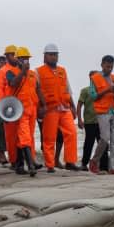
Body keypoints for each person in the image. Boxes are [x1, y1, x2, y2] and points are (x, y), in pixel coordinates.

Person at [36, 44, 79, 172]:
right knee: (49, 138)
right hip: (50, 109)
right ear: (45, 56)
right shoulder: (38, 71)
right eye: (51, 54)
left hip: (64, 108)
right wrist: (40, 107)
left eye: (55, 55)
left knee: (71, 133)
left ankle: (70, 162)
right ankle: (50, 164)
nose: (54, 57)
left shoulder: (62, 71)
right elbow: (36, 90)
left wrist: (73, 107)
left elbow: (68, 89)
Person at [5, 46, 46, 176]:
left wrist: (43, 105)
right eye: (23, 59)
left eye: (27, 59)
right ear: (17, 60)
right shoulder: (11, 72)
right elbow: (13, 84)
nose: (26, 61)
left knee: (27, 137)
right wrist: (22, 72)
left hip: (32, 108)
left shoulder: (33, 74)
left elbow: (38, 89)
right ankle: (31, 165)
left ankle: (19, 164)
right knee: (24, 137)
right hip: (19, 109)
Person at [89, 55, 114, 174]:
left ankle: (113, 168)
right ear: (102, 65)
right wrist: (107, 90)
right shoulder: (95, 78)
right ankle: (94, 161)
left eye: (112, 67)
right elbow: (93, 96)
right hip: (103, 112)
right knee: (105, 138)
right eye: (108, 66)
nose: (110, 69)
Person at [0, 45, 21, 170]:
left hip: (20, 106)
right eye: (12, 55)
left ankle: (24, 159)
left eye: (16, 55)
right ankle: (14, 161)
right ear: (7, 56)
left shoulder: (19, 69)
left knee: (22, 135)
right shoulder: (2, 72)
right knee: (10, 136)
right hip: (8, 108)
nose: (15, 57)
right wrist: (3, 110)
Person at [77, 71, 109, 171]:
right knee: (88, 143)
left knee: (103, 144)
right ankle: (84, 164)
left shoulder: (103, 90)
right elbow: (79, 105)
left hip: (102, 121)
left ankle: (104, 166)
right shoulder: (85, 91)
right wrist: (79, 119)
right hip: (89, 122)